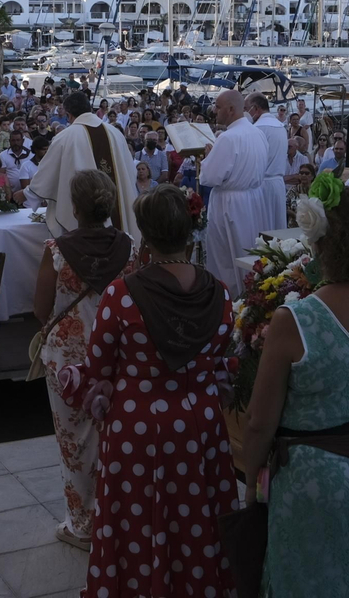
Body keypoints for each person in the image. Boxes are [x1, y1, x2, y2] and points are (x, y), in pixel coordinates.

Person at [240, 174, 349, 597]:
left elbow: (259, 421)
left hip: (309, 482)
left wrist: (251, 481)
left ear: (320, 244)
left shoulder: (297, 319)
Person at [58, 183, 239, 596]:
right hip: (200, 425)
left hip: (136, 426)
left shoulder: (122, 295)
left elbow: (99, 368)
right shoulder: (219, 292)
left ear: (145, 233)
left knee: (137, 520)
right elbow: (220, 356)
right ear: (189, 229)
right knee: (195, 516)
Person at [33, 170, 135, 551]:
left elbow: (40, 308)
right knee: (113, 437)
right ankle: (116, 518)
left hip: (68, 360)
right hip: (116, 354)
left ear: (75, 208)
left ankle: (82, 525)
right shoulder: (129, 248)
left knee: (74, 443)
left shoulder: (57, 250)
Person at [28, 90, 139, 242]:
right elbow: (131, 172)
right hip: (119, 211)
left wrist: (28, 193)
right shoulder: (116, 133)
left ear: (68, 114)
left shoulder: (65, 136)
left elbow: (46, 176)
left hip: (85, 217)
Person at [201, 89, 272, 294]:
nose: (214, 111)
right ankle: (253, 294)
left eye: (218, 107)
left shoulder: (228, 138)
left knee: (226, 258)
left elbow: (209, 177)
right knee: (250, 251)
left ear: (231, 109)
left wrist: (208, 157)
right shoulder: (257, 133)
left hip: (229, 203)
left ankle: (230, 299)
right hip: (254, 199)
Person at [249, 92, 290, 230]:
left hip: (261, 185)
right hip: (278, 184)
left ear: (255, 108)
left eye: (246, 108)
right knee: (277, 227)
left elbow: (252, 160)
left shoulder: (257, 129)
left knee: (262, 228)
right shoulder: (280, 126)